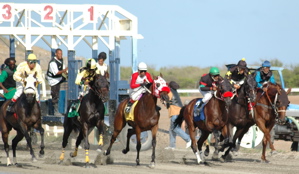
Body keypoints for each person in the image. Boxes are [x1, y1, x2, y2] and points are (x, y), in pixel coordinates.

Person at [165, 81, 191, 150]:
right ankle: (172, 145)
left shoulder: (169, 92)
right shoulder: (175, 92)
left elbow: (167, 101)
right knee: (171, 129)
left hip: (175, 112)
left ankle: (188, 139)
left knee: (175, 128)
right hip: (178, 112)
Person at [46, 48, 68, 116]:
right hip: (53, 80)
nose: (60, 55)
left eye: (61, 54)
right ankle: (56, 112)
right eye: (59, 54)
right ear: (56, 54)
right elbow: (56, 73)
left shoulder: (61, 60)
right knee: (55, 96)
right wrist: (64, 70)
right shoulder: (53, 62)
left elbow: (64, 69)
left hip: (59, 78)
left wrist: (67, 73)